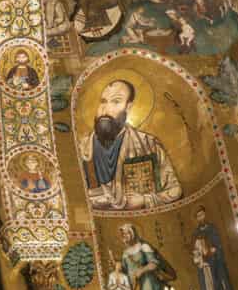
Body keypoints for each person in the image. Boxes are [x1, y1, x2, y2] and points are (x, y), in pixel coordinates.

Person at [78, 79, 182, 210]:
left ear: (128, 107)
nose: (106, 109)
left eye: (116, 101)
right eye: (103, 101)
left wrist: (145, 199)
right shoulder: (81, 147)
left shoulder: (149, 145)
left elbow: (175, 190)